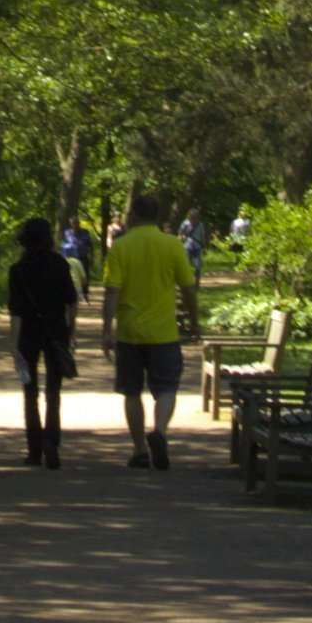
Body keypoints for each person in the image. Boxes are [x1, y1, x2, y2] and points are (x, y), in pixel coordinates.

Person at [98, 200, 197, 471]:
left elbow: (112, 291)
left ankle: (140, 450)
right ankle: (160, 432)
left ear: (133, 215)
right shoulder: (172, 245)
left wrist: (107, 329)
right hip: (164, 332)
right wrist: (195, 321)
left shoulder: (120, 247)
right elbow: (188, 288)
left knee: (131, 392)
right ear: (157, 216)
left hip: (130, 333)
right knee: (166, 388)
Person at [3, 214, 78, 468]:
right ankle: (52, 441)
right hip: (56, 333)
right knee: (54, 392)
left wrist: (13, 345)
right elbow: (71, 300)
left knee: (30, 392)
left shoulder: (17, 271)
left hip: (27, 335)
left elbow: (15, 311)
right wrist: (72, 330)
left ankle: (34, 449)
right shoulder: (60, 264)